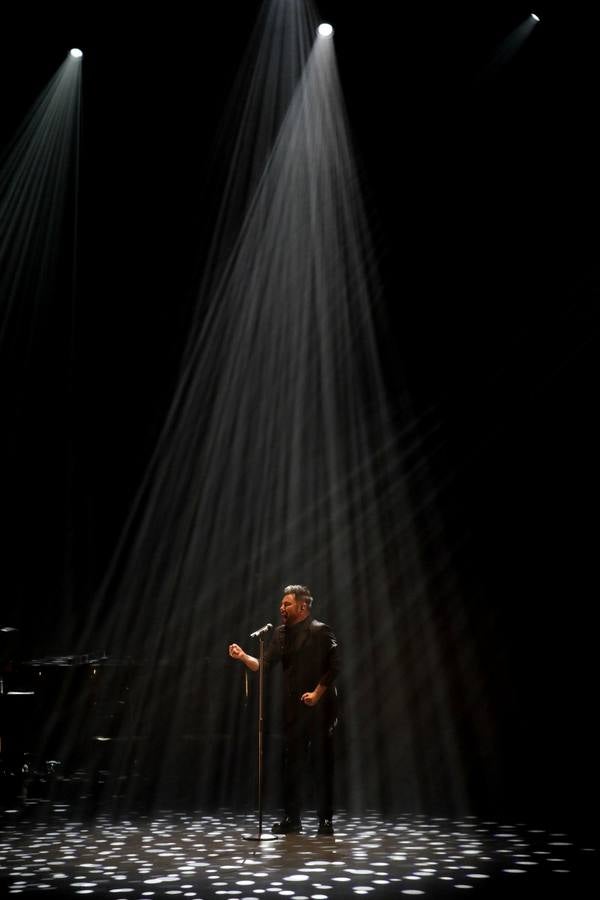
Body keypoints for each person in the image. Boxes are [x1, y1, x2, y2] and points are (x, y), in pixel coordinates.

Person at [228, 584, 339, 835]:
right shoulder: (280, 634)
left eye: (286, 604)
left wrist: (316, 694)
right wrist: (244, 656)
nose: (281, 608)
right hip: (294, 709)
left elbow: (335, 667)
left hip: (321, 708)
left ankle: (326, 821)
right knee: (293, 764)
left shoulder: (321, 631)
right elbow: (264, 665)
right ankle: (292, 819)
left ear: (302, 606)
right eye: (281, 604)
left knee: (322, 764)